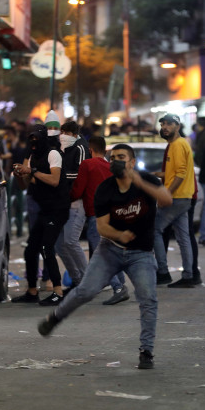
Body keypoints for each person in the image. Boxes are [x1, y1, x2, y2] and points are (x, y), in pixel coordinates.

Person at [37, 144, 172, 370]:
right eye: (113, 158)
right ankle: (56, 318)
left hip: (141, 253)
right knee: (86, 291)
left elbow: (166, 200)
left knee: (148, 298)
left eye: (122, 157)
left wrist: (138, 182)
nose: (116, 161)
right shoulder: (105, 189)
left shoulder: (147, 180)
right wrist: (120, 234)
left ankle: (146, 351)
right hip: (110, 250)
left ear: (132, 162)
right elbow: (102, 227)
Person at [11, 125, 70, 306]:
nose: (34, 143)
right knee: (31, 250)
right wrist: (20, 175)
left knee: (47, 248)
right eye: (32, 139)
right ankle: (32, 291)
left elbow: (54, 180)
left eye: (37, 138)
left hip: (58, 208)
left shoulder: (53, 154)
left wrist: (33, 171)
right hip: (44, 208)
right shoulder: (32, 157)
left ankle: (58, 292)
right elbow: (26, 185)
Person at [71, 136, 129, 305]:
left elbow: (77, 190)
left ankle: (118, 287)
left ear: (90, 150)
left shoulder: (87, 165)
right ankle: (120, 281)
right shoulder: (111, 167)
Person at [153, 113, 197, 288]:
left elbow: (180, 174)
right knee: (183, 237)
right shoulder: (177, 144)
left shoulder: (178, 145)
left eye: (169, 124)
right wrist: (157, 174)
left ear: (177, 127)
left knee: (155, 229)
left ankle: (162, 272)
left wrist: (166, 194)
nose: (164, 127)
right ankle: (188, 275)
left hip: (177, 197)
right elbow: (175, 172)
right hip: (184, 197)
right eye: (163, 124)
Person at [55, 121, 92, 292]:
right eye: (61, 132)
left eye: (66, 132)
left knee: (70, 241)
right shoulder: (64, 147)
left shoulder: (81, 148)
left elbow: (81, 174)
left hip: (77, 202)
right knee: (60, 244)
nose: (63, 135)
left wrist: (59, 176)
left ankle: (87, 281)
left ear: (74, 134)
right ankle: (77, 280)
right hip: (64, 201)